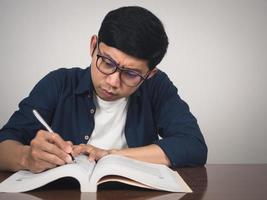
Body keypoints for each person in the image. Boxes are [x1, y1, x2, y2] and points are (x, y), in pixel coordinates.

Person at [0, 6, 207, 173]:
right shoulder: (59, 82)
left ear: (149, 74)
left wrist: (110, 155)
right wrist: (26, 157)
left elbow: (193, 146)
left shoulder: (157, 86)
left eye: (131, 74)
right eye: (107, 62)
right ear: (93, 46)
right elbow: (4, 144)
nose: (113, 82)